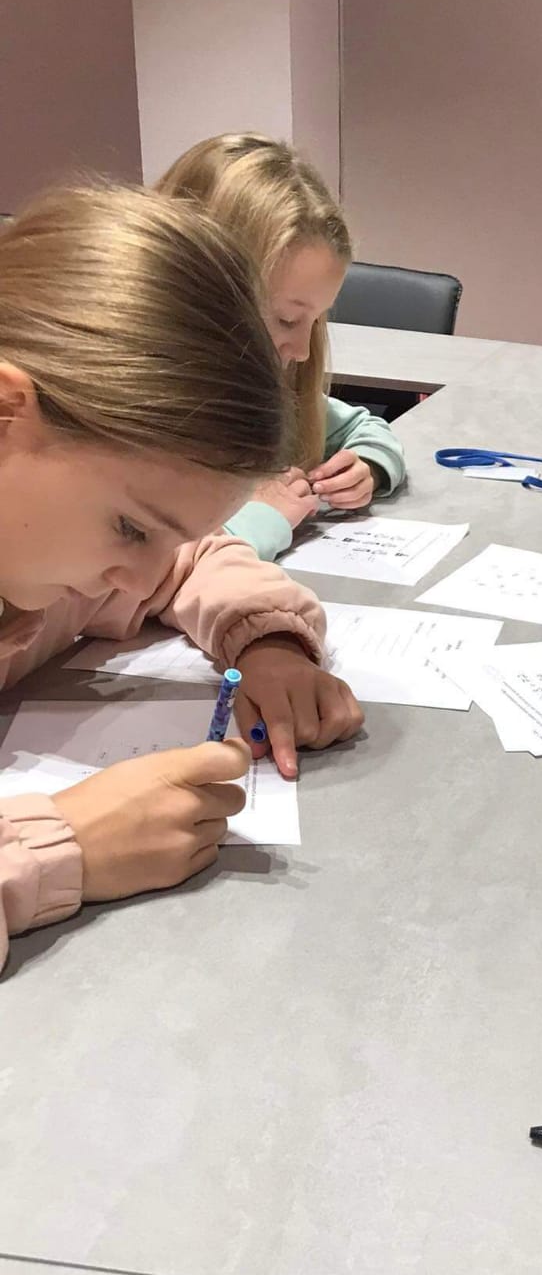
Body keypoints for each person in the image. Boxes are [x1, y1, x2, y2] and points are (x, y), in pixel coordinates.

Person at [0, 183, 362, 969]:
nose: (138, 582)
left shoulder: (44, 539)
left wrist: (265, 640)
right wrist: (63, 846)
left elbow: (188, 563)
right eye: (131, 527)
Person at [157, 133, 407, 562]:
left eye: (316, 320)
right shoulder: (127, 413)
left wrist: (368, 465)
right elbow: (137, 572)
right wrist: (259, 521)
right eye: (287, 319)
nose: (304, 351)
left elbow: (359, 427)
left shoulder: (254, 391)